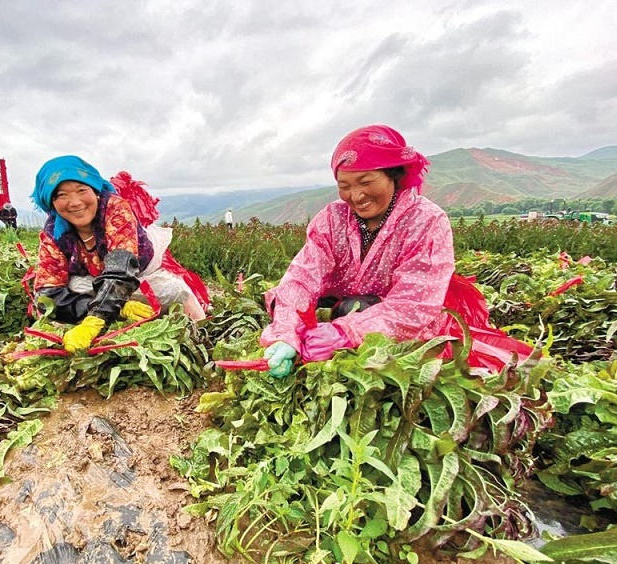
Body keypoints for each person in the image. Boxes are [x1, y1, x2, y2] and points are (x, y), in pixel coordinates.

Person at [260, 125, 532, 378]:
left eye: (366, 182)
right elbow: (301, 279)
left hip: (404, 328)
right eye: (345, 186)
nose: (356, 195)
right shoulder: (332, 219)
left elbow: (413, 306)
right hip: (343, 308)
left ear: (395, 175)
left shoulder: (426, 220)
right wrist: (285, 334)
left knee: (356, 312)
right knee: (312, 307)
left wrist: (345, 333)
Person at [32, 156, 209, 353]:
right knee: (72, 291)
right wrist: (114, 310)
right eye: (62, 195)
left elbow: (122, 268)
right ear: (51, 202)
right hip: (94, 281)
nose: (74, 202)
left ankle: (202, 338)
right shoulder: (53, 233)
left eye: (82, 190)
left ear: (95, 191)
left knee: (174, 291)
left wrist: (96, 318)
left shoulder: (115, 209)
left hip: (137, 274)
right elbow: (47, 294)